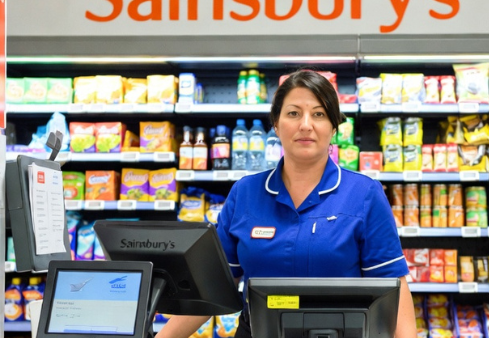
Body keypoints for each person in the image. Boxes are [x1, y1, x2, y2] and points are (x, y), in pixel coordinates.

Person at [157, 70, 417, 338]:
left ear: (333, 127)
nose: (306, 125)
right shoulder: (245, 193)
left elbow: (393, 285)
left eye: (319, 114)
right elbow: (212, 287)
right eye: (293, 113)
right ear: (276, 124)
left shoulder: (364, 193)